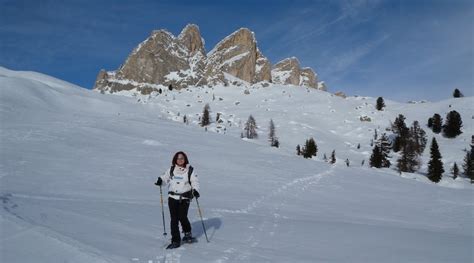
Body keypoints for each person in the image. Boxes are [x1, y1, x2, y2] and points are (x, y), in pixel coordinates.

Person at [155, 151, 200, 249]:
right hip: (172, 198)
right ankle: (175, 240)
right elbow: (165, 178)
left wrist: (195, 191)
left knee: (182, 217)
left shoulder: (190, 170)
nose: (180, 160)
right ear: (175, 159)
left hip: (185, 198)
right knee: (174, 219)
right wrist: (160, 181)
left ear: (185, 159)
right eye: (178, 158)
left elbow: (195, 181)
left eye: (182, 158)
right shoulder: (171, 169)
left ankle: (187, 232)